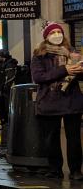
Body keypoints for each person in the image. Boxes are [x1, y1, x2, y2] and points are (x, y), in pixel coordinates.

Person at [30, 22, 83, 180]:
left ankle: (76, 170)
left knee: (74, 138)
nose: (57, 35)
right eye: (52, 32)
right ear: (46, 36)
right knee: (52, 138)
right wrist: (64, 70)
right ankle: (55, 169)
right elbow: (39, 77)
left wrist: (78, 71)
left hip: (71, 100)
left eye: (59, 31)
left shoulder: (72, 53)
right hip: (50, 101)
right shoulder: (39, 55)